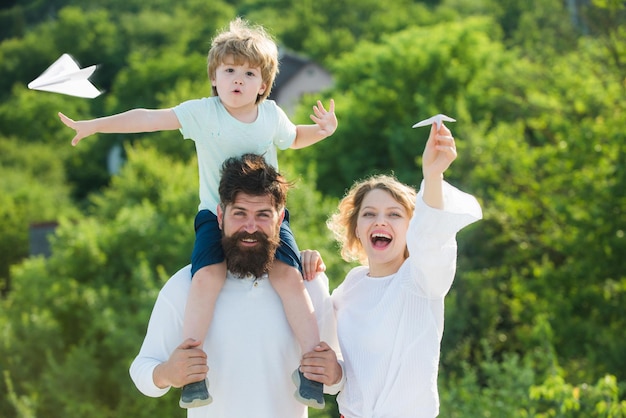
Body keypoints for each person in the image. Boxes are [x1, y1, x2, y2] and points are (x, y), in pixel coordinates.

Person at [59, 17, 337, 408]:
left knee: (289, 277)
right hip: (216, 216)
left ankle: (311, 369)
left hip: (268, 216)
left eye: (248, 73)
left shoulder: (272, 115)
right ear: (214, 78)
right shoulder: (203, 113)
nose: (237, 80)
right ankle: (194, 373)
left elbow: (295, 139)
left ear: (264, 84)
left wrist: (324, 130)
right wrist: (94, 126)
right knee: (206, 277)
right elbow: (146, 118)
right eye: (228, 71)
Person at [129, 154, 343, 418]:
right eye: (240, 213)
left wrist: (335, 373)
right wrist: (167, 374)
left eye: (263, 215)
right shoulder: (186, 285)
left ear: (279, 220)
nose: (250, 227)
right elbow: (142, 369)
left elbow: (338, 381)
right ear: (220, 216)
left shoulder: (309, 287)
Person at [325, 121, 482, 417]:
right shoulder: (350, 286)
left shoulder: (421, 280)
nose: (380, 221)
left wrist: (433, 175)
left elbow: (432, 235)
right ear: (357, 229)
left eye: (394, 214)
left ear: (412, 229)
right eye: (369, 214)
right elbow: (336, 366)